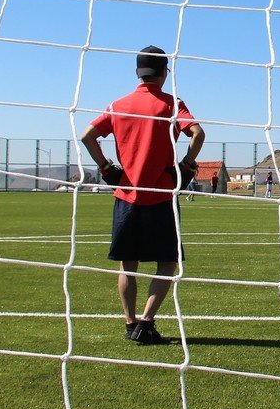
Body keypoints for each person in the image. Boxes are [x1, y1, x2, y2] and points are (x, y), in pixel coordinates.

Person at [81, 45, 204, 345]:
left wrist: (107, 168)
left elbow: (87, 136)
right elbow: (198, 134)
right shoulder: (172, 104)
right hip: (161, 196)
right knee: (167, 262)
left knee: (128, 265)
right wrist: (186, 165)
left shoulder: (117, 104)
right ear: (164, 72)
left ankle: (129, 323)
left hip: (126, 196)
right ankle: (147, 322)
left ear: (138, 72)